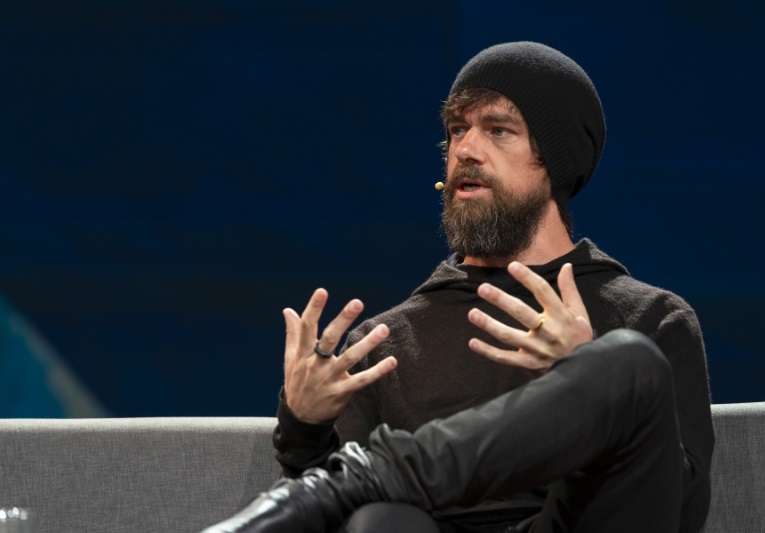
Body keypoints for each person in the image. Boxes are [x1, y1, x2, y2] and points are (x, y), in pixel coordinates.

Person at [202, 42, 714, 533]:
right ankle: (368, 478)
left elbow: (679, 513)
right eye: (457, 130)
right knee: (381, 521)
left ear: (556, 160)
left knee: (627, 361)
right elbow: (333, 524)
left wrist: (586, 378)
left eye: (498, 130)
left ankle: (372, 474)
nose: (464, 149)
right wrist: (304, 431)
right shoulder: (383, 345)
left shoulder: (651, 317)